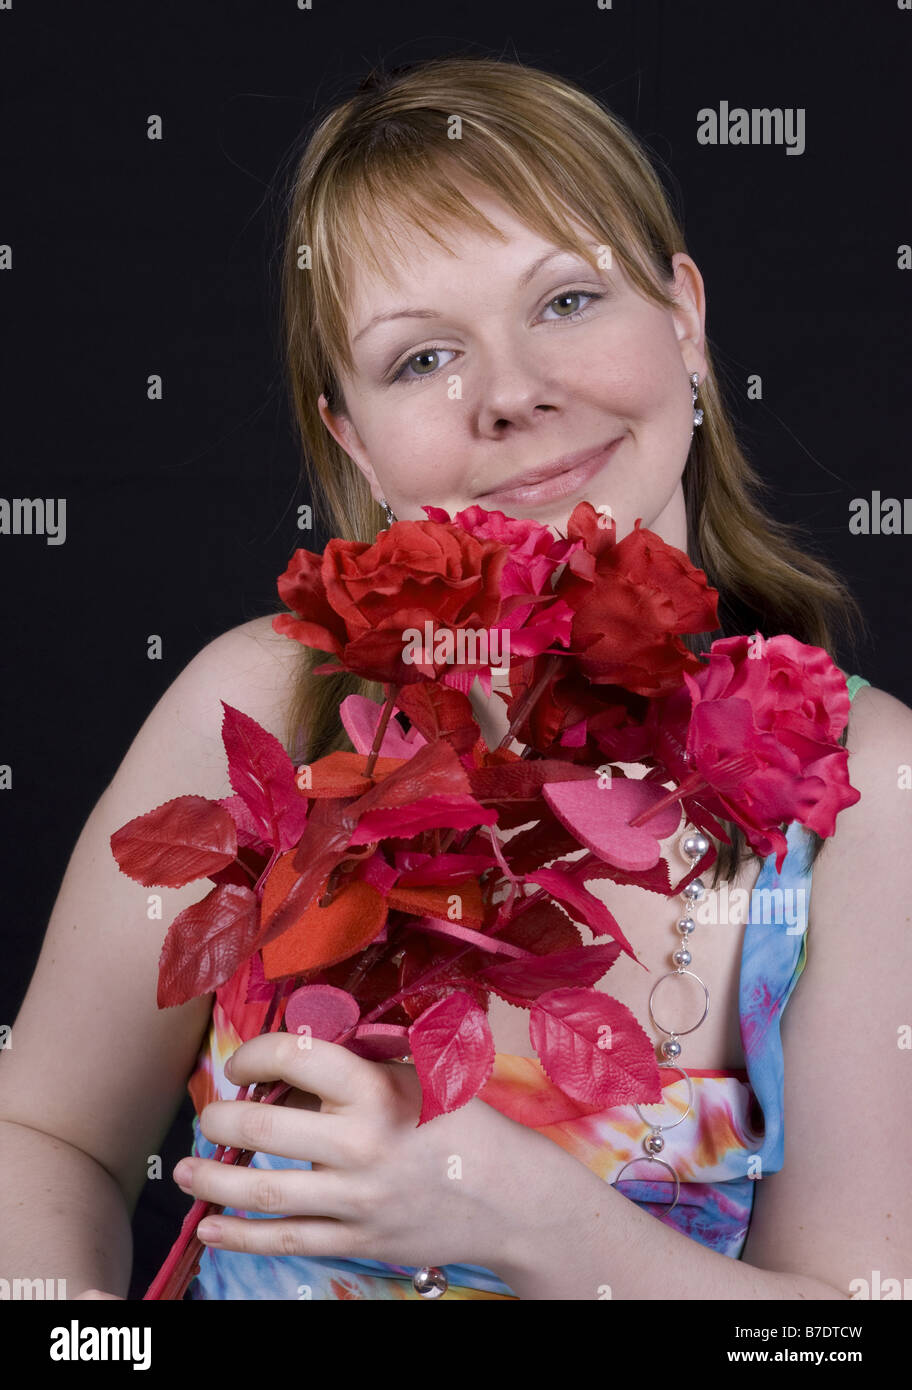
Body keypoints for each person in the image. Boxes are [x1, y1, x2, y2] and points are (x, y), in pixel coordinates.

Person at [1, 56, 909, 1303]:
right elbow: (42, 1134)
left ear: (687, 317)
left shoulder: (870, 789)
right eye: (422, 359)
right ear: (354, 438)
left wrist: (539, 1224)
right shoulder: (264, 704)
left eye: (569, 301)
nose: (513, 395)